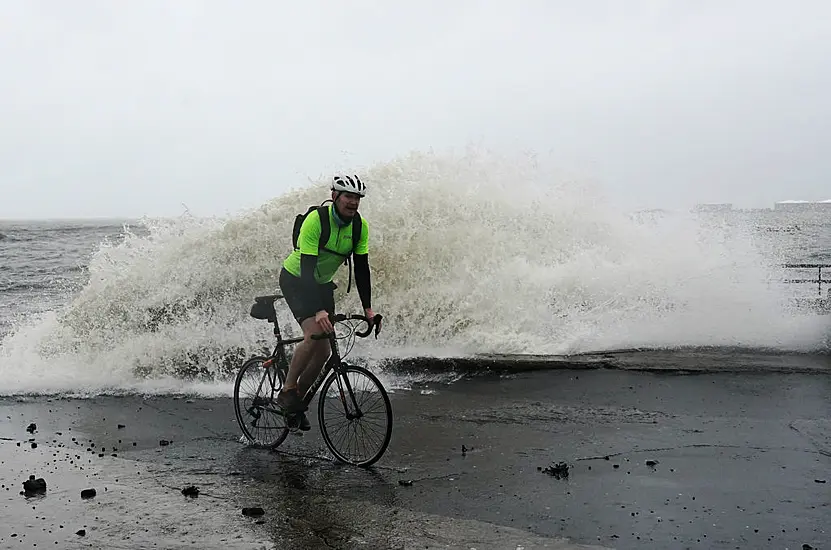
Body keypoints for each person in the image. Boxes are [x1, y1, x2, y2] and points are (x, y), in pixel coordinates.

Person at [275, 175, 379, 430]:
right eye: (348, 197)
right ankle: (287, 391)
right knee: (313, 334)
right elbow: (308, 269)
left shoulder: (359, 227)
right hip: (297, 279)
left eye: (357, 198)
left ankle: (297, 402)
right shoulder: (316, 220)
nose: (353, 202)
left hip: (321, 284)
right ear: (335, 196)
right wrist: (318, 310)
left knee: (324, 351)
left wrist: (368, 309)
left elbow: (363, 269)